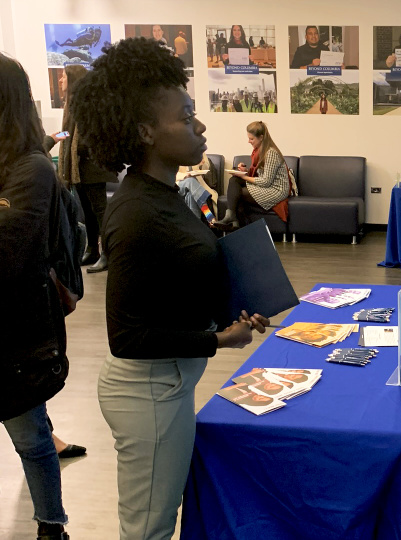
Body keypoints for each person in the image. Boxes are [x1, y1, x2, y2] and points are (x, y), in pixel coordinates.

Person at [72, 37, 270, 540]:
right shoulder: (136, 213)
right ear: (145, 132)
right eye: (185, 116)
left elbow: (184, 269)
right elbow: (128, 337)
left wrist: (234, 305)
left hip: (170, 384)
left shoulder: (168, 193)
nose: (199, 125)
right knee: (148, 529)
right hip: (148, 392)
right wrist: (219, 341)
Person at [0, 52, 71, 540]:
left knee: (31, 438)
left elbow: (6, 258)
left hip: (14, 338)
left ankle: (51, 526)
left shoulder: (31, 169)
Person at [44, 64, 117, 273]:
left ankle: (108, 254)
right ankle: (92, 249)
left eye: (64, 77)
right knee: (87, 211)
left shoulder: (89, 103)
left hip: (92, 165)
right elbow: (71, 132)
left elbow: (94, 133)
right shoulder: (72, 103)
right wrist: (59, 137)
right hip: (80, 166)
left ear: (73, 79)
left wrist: (76, 145)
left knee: (100, 211)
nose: (60, 81)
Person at [215, 121, 292, 230]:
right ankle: (233, 218)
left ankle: (236, 222)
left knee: (238, 193)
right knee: (234, 180)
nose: (249, 141)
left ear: (261, 137)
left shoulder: (271, 153)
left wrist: (244, 176)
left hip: (275, 190)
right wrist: (244, 171)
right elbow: (260, 173)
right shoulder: (259, 150)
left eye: (251, 139)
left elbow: (266, 182)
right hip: (267, 185)